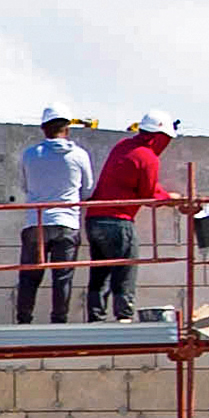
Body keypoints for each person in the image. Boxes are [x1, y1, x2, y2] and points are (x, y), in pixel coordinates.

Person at [83, 114, 169, 319]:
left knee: (100, 273)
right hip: (118, 221)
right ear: (158, 137)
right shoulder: (148, 157)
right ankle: (124, 317)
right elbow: (147, 194)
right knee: (124, 272)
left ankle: (96, 319)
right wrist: (170, 198)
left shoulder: (123, 146)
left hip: (94, 219)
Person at [12, 113, 89, 322]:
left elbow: (24, 185)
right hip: (67, 222)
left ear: (44, 129)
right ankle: (59, 321)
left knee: (29, 275)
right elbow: (88, 188)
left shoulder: (30, 154)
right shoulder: (79, 155)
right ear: (67, 128)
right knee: (62, 276)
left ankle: (24, 320)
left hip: (36, 222)